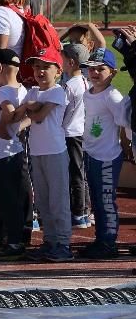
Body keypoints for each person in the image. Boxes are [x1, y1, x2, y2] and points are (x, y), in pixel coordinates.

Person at [9, 48, 72, 261]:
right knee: (43, 201)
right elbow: (21, 115)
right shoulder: (33, 92)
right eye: (37, 67)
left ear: (58, 71)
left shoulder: (57, 92)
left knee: (58, 200)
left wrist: (27, 107)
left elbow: (39, 116)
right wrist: (28, 108)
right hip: (36, 152)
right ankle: (50, 240)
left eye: (46, 67)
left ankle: (63, 243)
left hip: (55, 151)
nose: (40, 71)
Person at [78, 48, 131, 259]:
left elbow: (124, 122)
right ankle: (100, 239)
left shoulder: (112, 96)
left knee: (106, 201)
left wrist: (126, 144)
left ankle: (108, 242)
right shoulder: (87, 93)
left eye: (101, 69)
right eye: (91, 69)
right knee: (96, 201)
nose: (95, 73)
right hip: (91, 153)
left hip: (107, 156)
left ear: (113, 73)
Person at [0, 49, 30, 260]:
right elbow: (28, 115)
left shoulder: (2, 92)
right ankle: (18, 238)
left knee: (8, 199)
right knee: (19, 196)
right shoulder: (23, 90)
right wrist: (18, 126)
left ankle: (13, 242)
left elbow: (10, 112)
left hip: (3, 153)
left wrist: (3, 126)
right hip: (16, 150)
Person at [60, 43, 91, 228]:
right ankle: (84, 212)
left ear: (71, 62)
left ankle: (78, 212)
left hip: (70, 134)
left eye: (63, 59)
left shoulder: (69, 85)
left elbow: (61, 111)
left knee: (74, 174)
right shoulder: (86, 81)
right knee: (81, 172)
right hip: (81, 132)